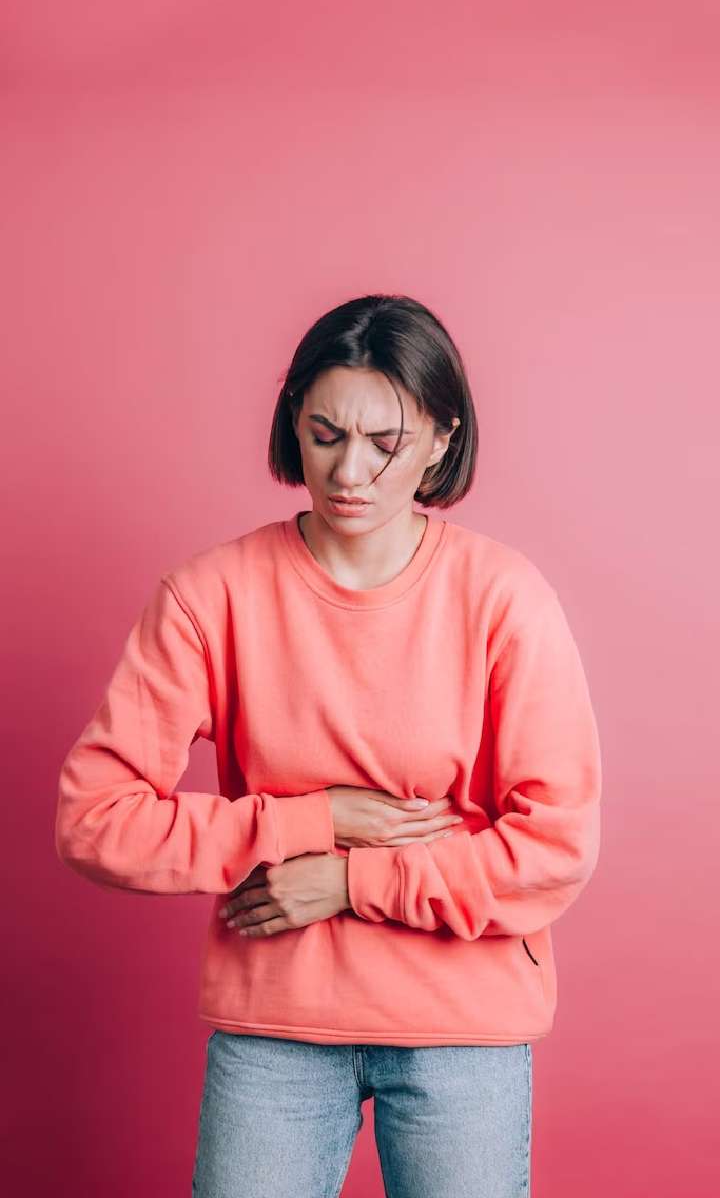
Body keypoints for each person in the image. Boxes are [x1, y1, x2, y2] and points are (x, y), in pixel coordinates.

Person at [54, 293, 602, 1197]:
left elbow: (555, 848)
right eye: (325, 434)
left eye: (386, 443)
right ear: (293, 425)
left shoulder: (505, 599)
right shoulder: (210, 596)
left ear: (440, 440)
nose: (351, 472)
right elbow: (95, 821)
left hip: (462, 1029)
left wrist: (349, 881)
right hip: (277, 1030)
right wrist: (310, 821)